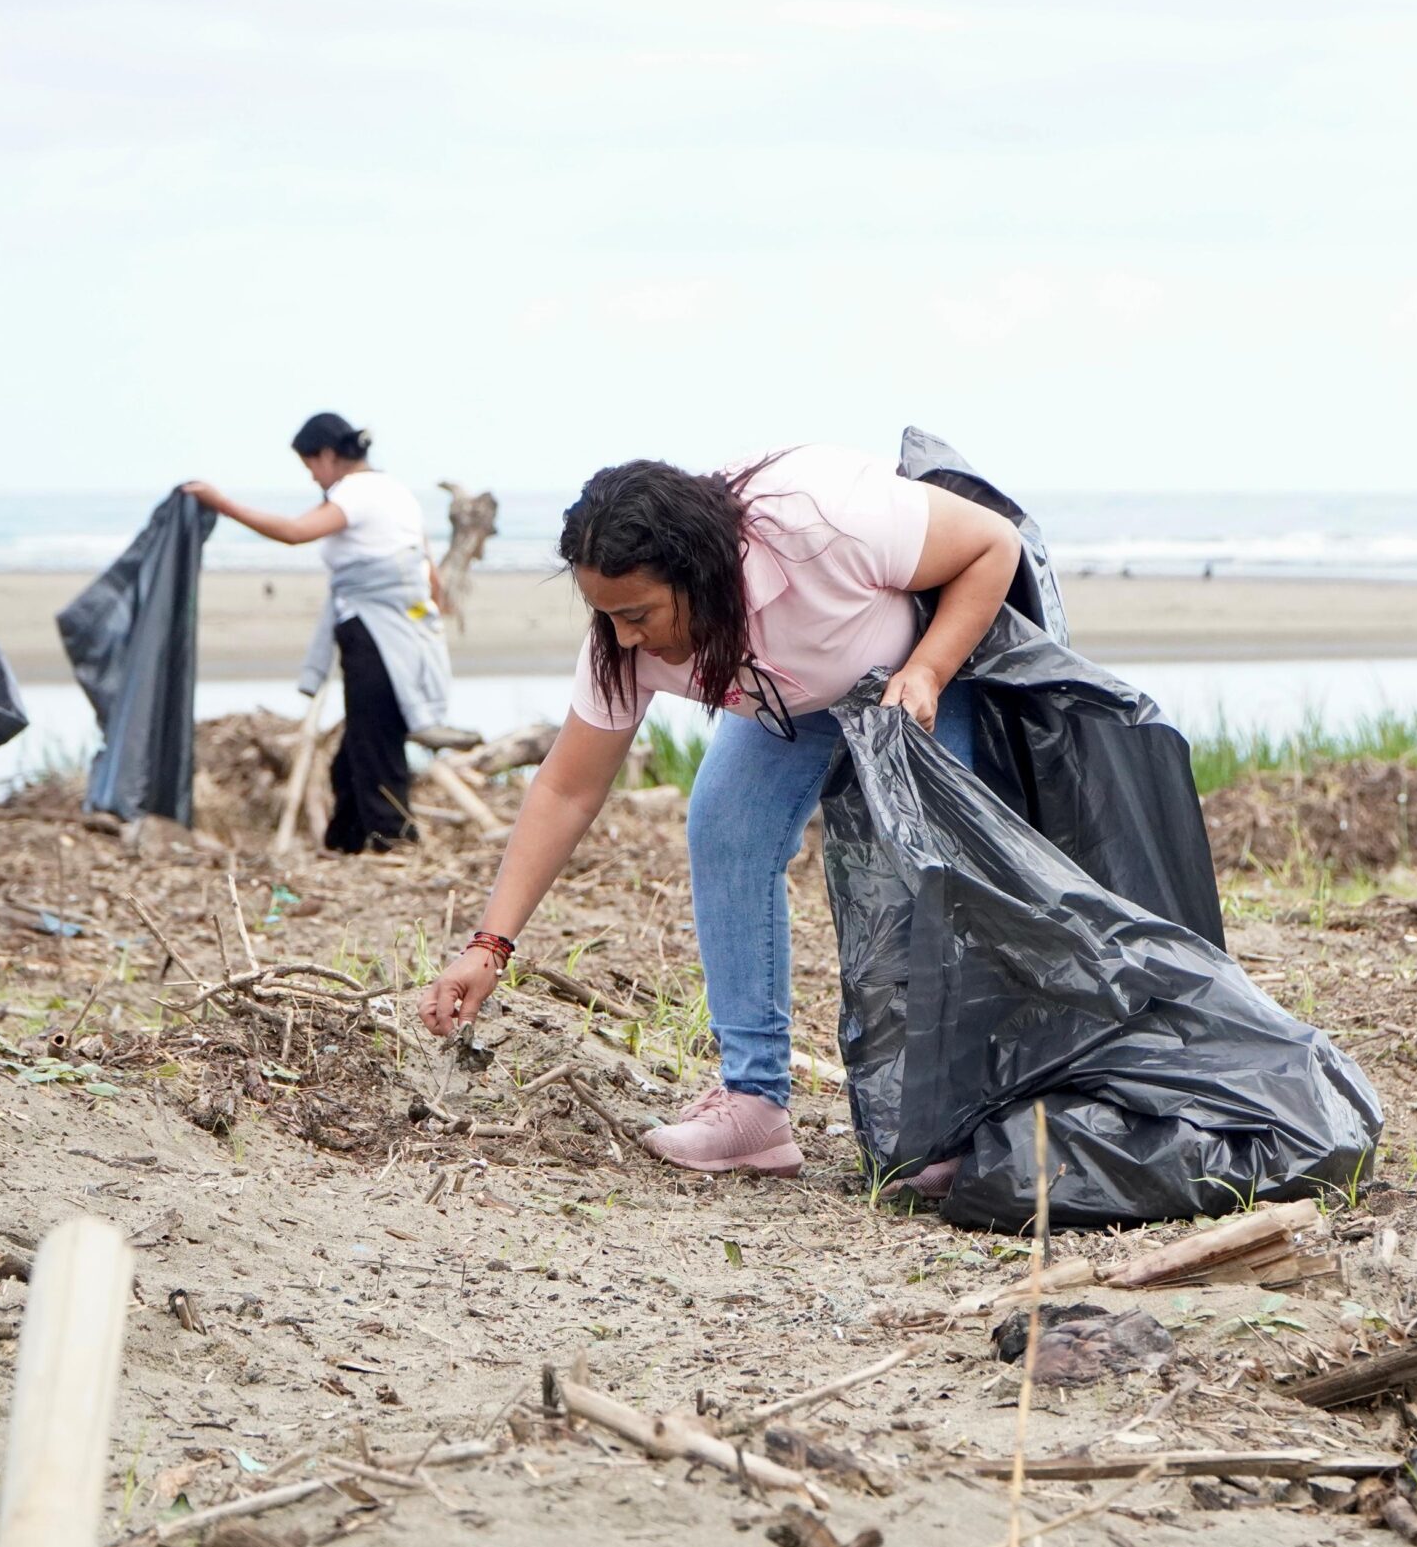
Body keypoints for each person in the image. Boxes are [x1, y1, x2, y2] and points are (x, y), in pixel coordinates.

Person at [415, 445, 1024, 1178]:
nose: (623, 638)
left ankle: (955, 1122)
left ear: (700, 577)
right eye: (606, 615)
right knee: (725, 830)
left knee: (927, 869)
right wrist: (490, 946)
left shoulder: (821, 524)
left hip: (917, 669)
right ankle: (754, 1108)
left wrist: (928, 669)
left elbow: (996, 543)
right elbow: (565, 789)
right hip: (790, 695)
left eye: (638, 614)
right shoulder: (622, 641)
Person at [183, 414, 449, 853]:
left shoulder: (357, 491)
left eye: (311, 466)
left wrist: (221, 503)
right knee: (355, 753)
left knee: (374, 741)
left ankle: (394, 842)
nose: (313, 478)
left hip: (373, 630)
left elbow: (294, 533)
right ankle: (347, 842)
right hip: (407, 626)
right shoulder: (395, 490)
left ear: (328, 455)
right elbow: (429, 570)